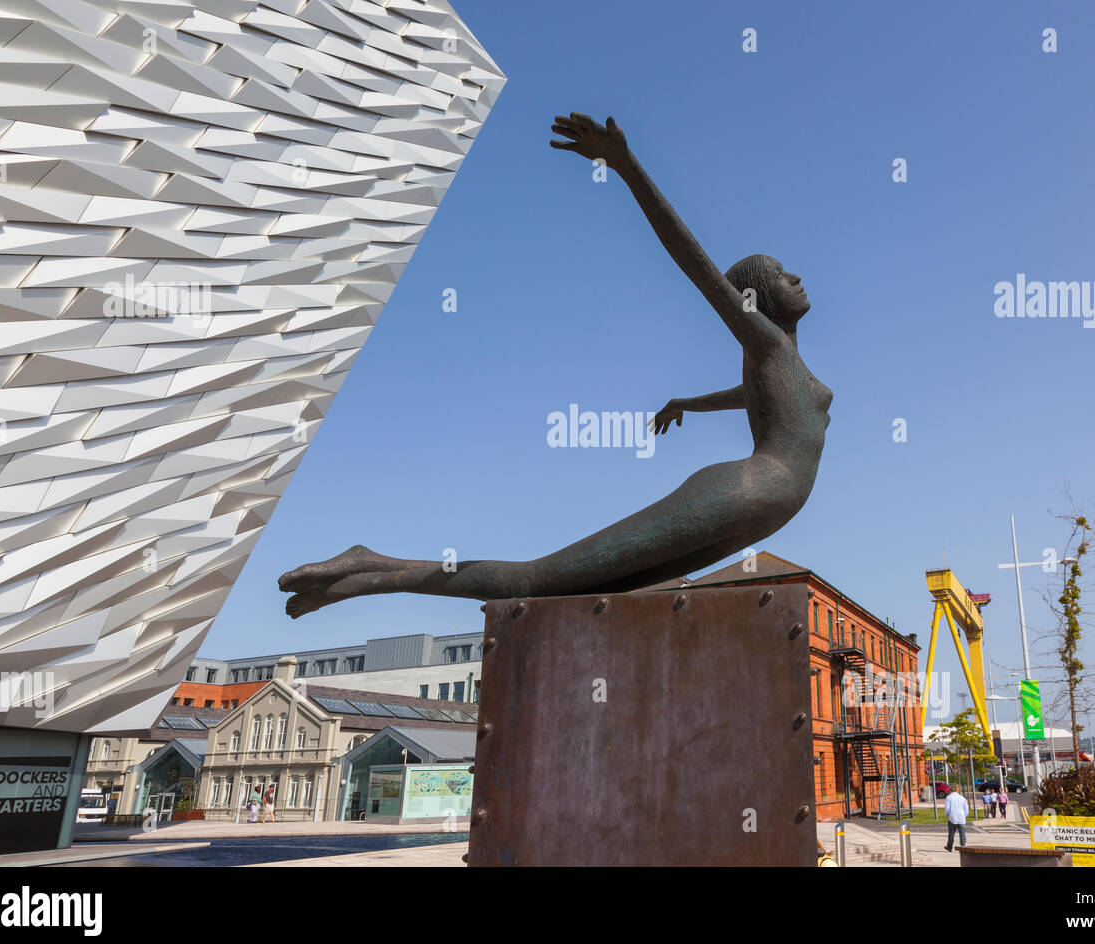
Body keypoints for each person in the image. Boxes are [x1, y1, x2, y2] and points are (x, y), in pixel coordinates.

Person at [279, 112, 832, 616]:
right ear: (756, 300)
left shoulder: (777, 364)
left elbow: (753, 400)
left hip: (766, 506)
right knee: (539, 580)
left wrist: (688, 402)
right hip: (746, 492)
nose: (798, 278)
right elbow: (696, 263)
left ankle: (372, 567)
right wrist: (627, 166)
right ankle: (372, 570)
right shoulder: (768, 346)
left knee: (584, 594)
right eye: (783, 275)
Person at [944, 785, 969, 852]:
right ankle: (963, 846)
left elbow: (947, 808)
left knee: (951, 833)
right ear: (956, 790)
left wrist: (947, 814)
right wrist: (965, 816)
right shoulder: (962, 798)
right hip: (961, 817)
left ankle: (949, 847)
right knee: (962, 833)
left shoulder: (949, 797)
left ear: (950, 790)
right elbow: (966, 809)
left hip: (952, 817)